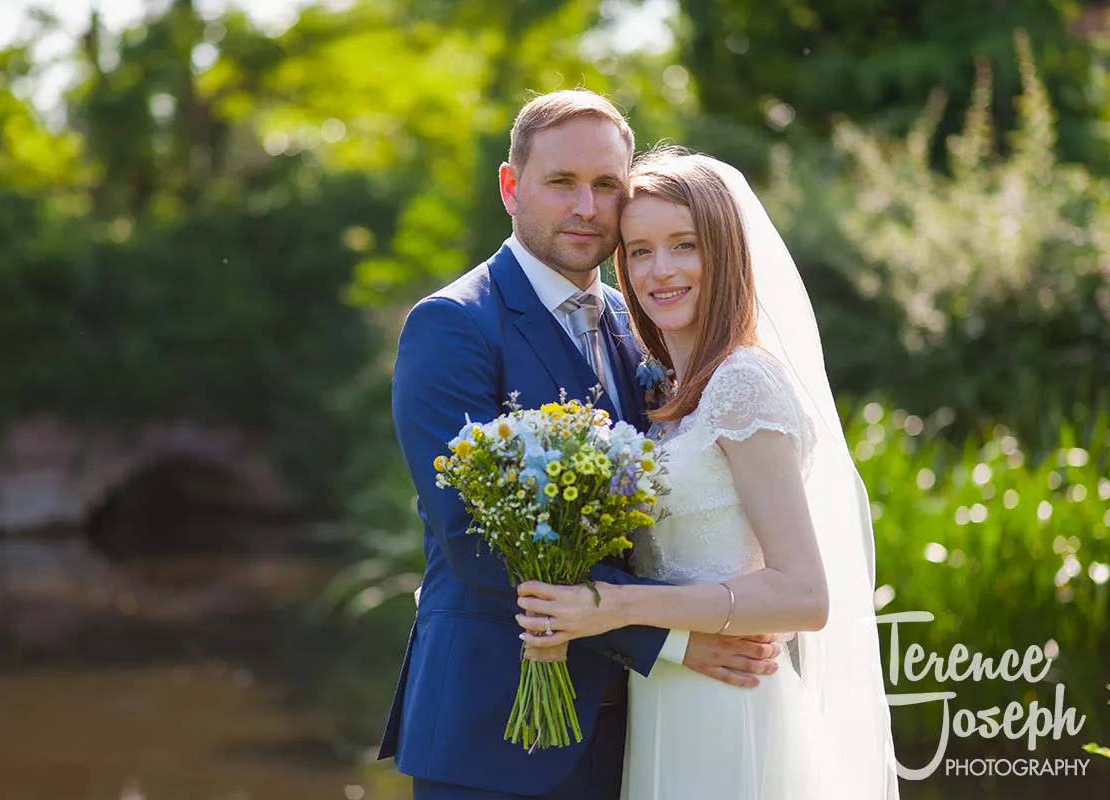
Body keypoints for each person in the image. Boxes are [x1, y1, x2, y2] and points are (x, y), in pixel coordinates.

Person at [378, 91, 785, 800]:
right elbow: (478, 540)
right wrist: (676, 640)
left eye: (607, 186)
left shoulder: (644, 320)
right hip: (496, 730)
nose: (588, 208)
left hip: (641, 730)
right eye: (562, 182)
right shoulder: (452, 325)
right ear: (511, 187)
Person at [514, 149, 900, 799]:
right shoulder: (666, 390)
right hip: (665, 698)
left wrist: (614, 608)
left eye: (683, 246)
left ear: (723, 253)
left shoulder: (743, 385)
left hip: (730, 704)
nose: (658, 271)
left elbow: (804, 596)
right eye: (638, 251)